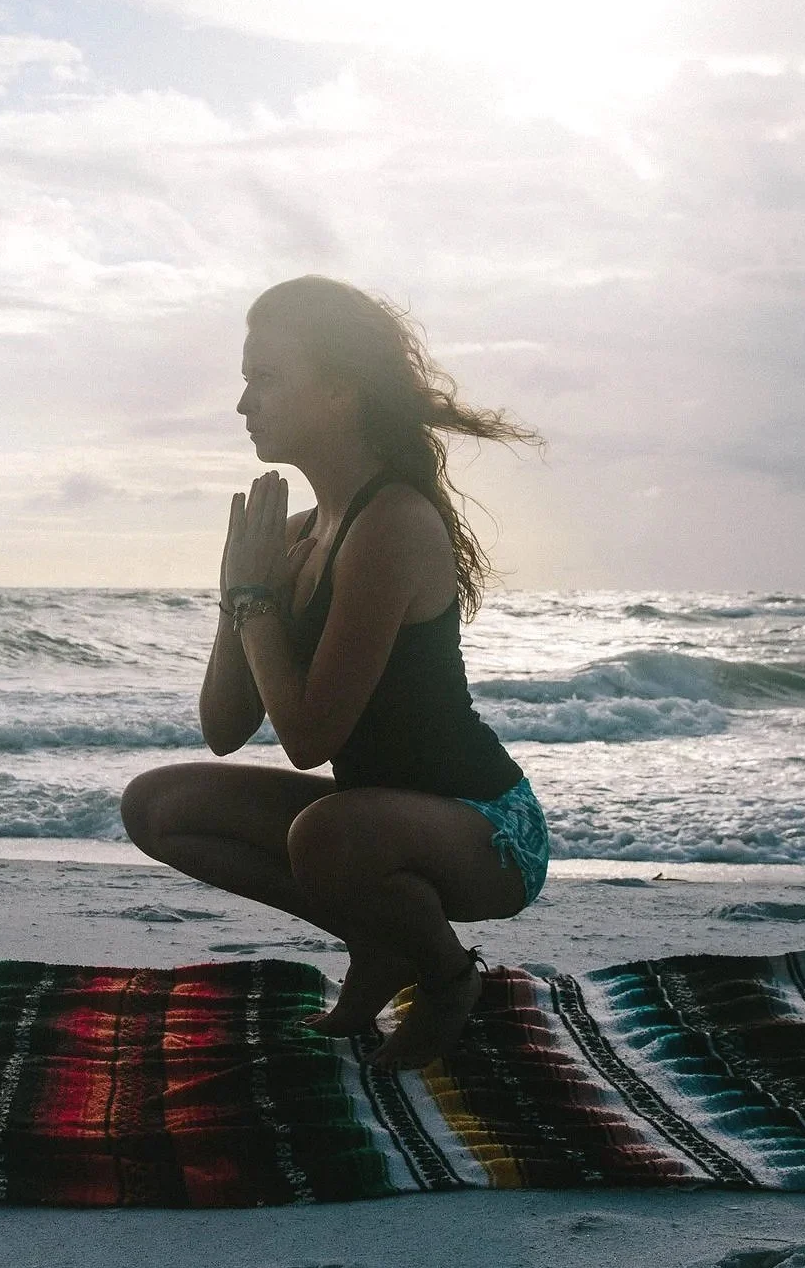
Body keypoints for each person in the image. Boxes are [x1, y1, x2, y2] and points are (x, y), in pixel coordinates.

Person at [120, 276, 548, 1071]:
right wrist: (236, 594)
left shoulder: (393, 524)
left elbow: (310, 738)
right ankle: (381, 940)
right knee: (157, 805)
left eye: (267, 377)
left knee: (325, 832)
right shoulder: (300, 532)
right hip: (374, 822)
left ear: (343, 392)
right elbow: (223, 730)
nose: (245, 403)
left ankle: (449, 977)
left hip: (487, 827)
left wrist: (255, 601)